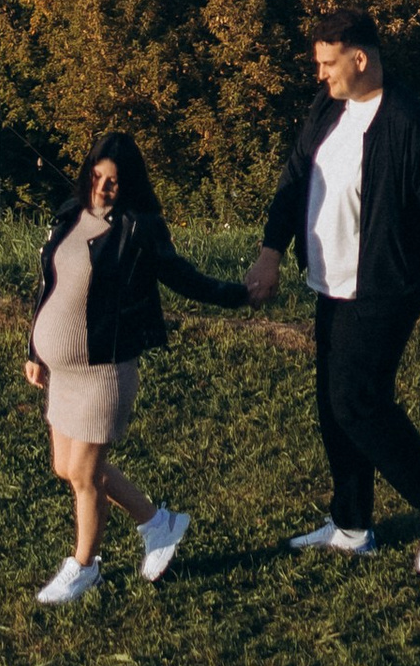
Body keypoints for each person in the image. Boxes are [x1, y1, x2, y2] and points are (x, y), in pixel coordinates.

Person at [245, 5, 420, 575]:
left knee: (357, 401)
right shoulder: (329, 107)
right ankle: (353, 526)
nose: (320, 74)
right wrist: (270, 252)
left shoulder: (409, 121)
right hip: (330, 280)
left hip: (385, 285)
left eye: (328, 64)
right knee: (333, 404)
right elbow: (295, 176)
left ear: (360, 57)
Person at [23, 130, 250, 607]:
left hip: (103, 371)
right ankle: (157, 522)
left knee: (85, 475)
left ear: (129, 185)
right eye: (97, 176)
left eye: (114, 181)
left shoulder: (136, 227)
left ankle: (84, 568)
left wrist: (239, 293)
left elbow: (181, 275)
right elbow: (49, 287)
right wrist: (34, 349)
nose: (103, 187)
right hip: (62, 372)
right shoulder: (70, 214)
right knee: (67, 468)